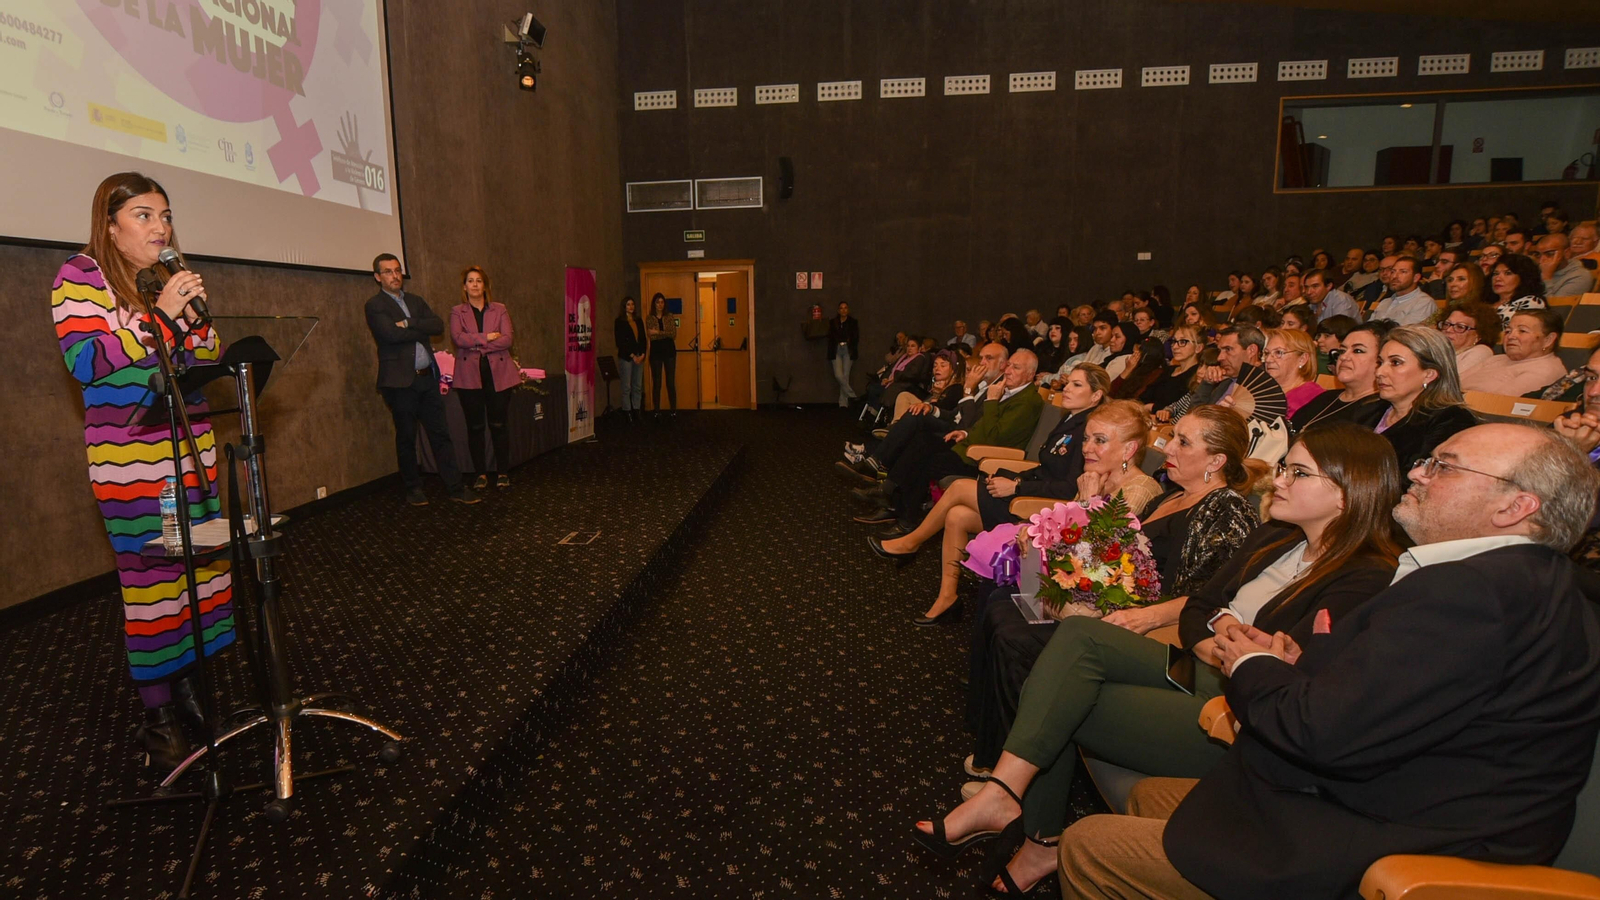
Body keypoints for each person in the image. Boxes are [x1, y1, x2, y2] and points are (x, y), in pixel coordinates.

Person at [1066, 424, 1600, 900]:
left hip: (1392, 843)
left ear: (1514, 508)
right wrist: (1299, 665)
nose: (1415, 472)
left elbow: (1319, 730)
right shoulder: (1524, 585)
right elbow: (1396, 698)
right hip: (1385, 800)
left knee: (1088, 844)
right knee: (1149, 794)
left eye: (1444, 466)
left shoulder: (1474, 593)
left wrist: (1253, 661)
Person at [945, 423, 1402, 896]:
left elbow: (1280, 665)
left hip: (1232, 712)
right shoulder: (1277, 537)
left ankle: (1034, 833)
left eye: (1298, 473)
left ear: (1347, 494)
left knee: (1055, 694)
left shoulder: (1365, 576)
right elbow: (1200, 608)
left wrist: (1224, 634)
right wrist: (1224, 634)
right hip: (1197, 667)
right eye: (1285, 468)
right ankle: (1010, 800)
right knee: (1078, 637)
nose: (1278, 481)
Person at [52, 172, 239, 768]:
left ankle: (192, 688)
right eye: (143, 215)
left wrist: (198, 323)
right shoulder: (80, 277)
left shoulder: (165, 281)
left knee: (203, 572)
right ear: (109, 225)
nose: (161, 227)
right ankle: (159, 714)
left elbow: (205, 357)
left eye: (165, 215)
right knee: (156, 586)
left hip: (193, 455)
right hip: (137, 466)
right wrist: (160, 315)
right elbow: (89, 361)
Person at [873, 364, 1111, 624]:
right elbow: (1046, 469)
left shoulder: (1088, 432)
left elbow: (1068, 489)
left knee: (960, 487)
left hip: (1043, 511)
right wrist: (1013, 478)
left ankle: (911, 542)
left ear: (1096, 396)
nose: (1066, 387)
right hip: (1032, 493)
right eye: (1069, 382)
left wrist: (1017, 487)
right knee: (957, 515)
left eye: (1077, 385)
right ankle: (947, 597)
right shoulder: (1070, 419)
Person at [366, 253, 477, 506]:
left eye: (397, 271)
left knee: (441, 434)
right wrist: (417, 328)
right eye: (388, 272)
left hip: (427, 379)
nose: (395, 276)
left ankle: (455, 487)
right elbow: (389, 335)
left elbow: (437, 326)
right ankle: (413, 488)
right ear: (377, 277)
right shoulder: (375, 305)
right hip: (399, 383)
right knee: (406, 436)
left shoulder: (415, 301)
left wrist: (408, 323)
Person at [1373, 324, 1477, 487]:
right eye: (1380, 362)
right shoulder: (1370, 409)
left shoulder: (1451, 420)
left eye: (1395, 363)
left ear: (1429, 374)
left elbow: (1415, 485)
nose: (1379, 372)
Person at [449, 266, 518, 489]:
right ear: (465, 287)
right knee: (475, 426)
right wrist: (487, 337)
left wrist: (477, 343)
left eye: (479, 280)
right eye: (470, 281)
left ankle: (503, 472)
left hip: (497, 374)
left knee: (499, 424)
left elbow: (507, 340)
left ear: (485, 285)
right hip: (470, 376)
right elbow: (458, 339)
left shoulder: (500, 309)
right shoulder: (457, 311)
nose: (475, 284)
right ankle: (480, 473)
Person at [1291, 321, 1389, 432]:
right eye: (1342, 351)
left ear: (1381, 360)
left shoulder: (1380, 412)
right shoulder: (1326, 397)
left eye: (1357, 351)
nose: (1344, 357)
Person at [1461, 308, 1569, 397]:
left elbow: (1498, 404)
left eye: (1522, 331)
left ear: (1548, 340)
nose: (1511, 336)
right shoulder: (1497, 359)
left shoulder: (1546, 369)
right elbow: (1452, 385)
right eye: (1508, 331)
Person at [1262, 328, 1325, 418]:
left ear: (1302, 359)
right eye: (1266, 353)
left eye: (1279, 352)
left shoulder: (1315, 398)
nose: (1268, 360)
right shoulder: (1261, 390)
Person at [1140, 325, 1202, 412]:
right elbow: (1145, 395)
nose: (1175, 347)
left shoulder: (1197, 375)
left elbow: (1180, 408)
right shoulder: (1170, 370)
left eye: (1183, 341)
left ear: (1198, 348)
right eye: (1174, 341)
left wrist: (1152, 407)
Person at [1435, 300, 1500, 378]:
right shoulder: (1436, 349)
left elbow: (1452, 383)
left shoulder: (1481, 351)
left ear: (1478, 335)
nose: (1448, 330)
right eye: (1446, 324)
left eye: (1460, 327)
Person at [1367, 257, 1434, 325]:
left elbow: (1406, 333)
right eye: (1393, 272)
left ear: (1415, 278)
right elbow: (1369, 327)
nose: (1394, 276)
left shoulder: (1423, 303)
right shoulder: (1385, 302)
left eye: (1403, 272)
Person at [612, 297, 647, 420]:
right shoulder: (619, 321)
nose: (631, 307)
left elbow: (643, 339)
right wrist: (632, 356)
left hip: (639, 356)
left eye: (632, 304)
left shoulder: (638, 320)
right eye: (628, 304)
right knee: (627, 386)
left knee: (637, 385)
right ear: (624, 307)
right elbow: (620, 341)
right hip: (627, 357)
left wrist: (642, 354)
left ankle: (636, 409)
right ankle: (627, 411)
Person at [645, 292, 678, 415]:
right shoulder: (649, 318)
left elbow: (673, 334)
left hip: (669, 352)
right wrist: (664, 332)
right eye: (658, 302)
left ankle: (673, 410)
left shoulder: (669, 316)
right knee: (657, 383)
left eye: (662, 302)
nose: (660, 304)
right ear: (654, 304)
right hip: (656, 353)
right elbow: (651, 336)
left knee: (670, 382)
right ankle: (656, 411)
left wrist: (657, 332)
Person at [1536, 233, 1597, 298]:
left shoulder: (1580, 276)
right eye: (1538, 255)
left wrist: (1546, 278)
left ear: (1567, 253)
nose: (1541, 260)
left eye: (1550, 254)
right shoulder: (1536, 269)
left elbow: (1558, 306)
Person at [826, 301, 859, 408]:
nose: (843, 310)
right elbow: (830, 337)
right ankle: (853, 396)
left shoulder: (853, 322)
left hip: (848, 350)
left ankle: (843, 403)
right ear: (838, 310)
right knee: (838, 375)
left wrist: (849, 343)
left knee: (845, 376)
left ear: (848, 310)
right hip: (836, 349)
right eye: (841, 308)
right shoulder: (833, 322)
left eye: (845, 308)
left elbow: (856, 337)